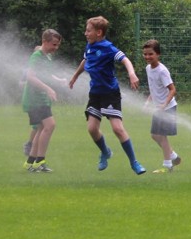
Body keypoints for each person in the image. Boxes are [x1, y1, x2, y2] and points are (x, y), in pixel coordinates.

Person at [68, 16, 146, 175]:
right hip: (95, 94)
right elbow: (85, 60)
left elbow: (125, 60)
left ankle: (134, 162)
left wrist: (132, 74)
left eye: (88, 30)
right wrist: (75, 76)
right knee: (91, 129)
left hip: (110, 94)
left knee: (117, 129)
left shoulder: (108, 47)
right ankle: (105, 152)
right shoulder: (89, 46)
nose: (85, 33)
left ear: (99, 32)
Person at [22, 30, 63, 173]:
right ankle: (40, 161)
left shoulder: (47, 57)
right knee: (50, 125)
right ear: (44, 41)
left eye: (57, 45)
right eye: (54, 44)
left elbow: (46, 75)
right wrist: (48, 89)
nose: (55, 47)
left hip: (42, 99)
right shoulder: (36, 56)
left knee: (41, 129)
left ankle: (30, 163)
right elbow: (30, 77)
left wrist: (60, 80)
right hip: (34, 99)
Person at [142, 39, 182, 174]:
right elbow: (154, 89)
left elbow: (172, 89)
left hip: (167, 108)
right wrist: (148, 102)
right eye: (145, 54)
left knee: (162, 135)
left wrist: (164, 104)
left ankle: (167, 165)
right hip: (158, 108)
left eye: (151, 54)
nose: (147, 57)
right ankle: (173, 156)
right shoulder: (148, 69)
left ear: (158, 54)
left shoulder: (162, 71)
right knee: (154, 135)